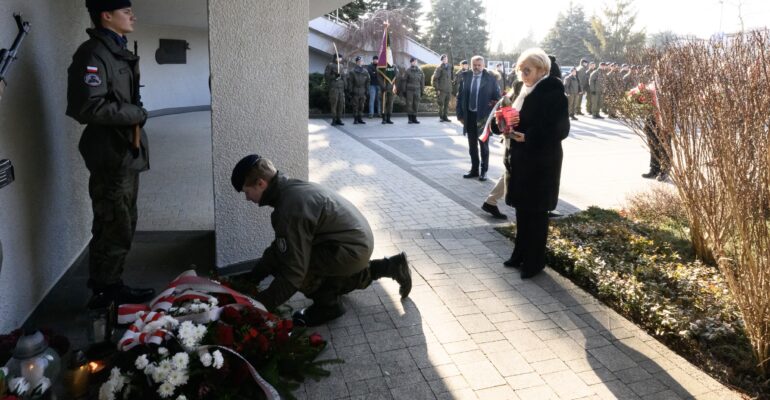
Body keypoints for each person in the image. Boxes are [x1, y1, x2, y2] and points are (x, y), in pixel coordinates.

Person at [230, 154, 412, 326]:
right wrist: (253, 277)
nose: (247, 198)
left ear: (261, 184)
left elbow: (293, 272)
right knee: (296, 257)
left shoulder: (290, 208)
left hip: (350, 249)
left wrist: (257, 307)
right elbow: (280, 247)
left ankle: (328, 307)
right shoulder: (290, 189)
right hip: (354, 243)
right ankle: (391, 266)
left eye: (247, 192)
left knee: (290, 266)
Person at [66, 0, 154, 308]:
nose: (132, 15)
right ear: (106, 15)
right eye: (125, 11)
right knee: (113, 223)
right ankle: (105, 293)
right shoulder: (92, 54)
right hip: (110, 155)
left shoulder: (116, 50)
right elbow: (87, 106)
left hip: (124, 152)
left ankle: (110, 284)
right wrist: (135, 113)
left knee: (124, 221)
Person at [504, 48, 570, 279]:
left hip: (542, 164)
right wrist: (502, 124)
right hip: (522, 160)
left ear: (542, 70)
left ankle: (534, 262)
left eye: (527, 70)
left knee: (537, 216)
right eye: (521, 70)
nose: (523, 74)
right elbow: (515, 118)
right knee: (523, 213)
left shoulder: (552, 91)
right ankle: (519, 254)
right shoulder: (523, 90)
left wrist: (529, 136)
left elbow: (561, 129)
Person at [456, 56, 501, 181]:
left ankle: (484, 171)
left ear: (483, 65)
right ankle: (474, 170)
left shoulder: (490, 79)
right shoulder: (465, 77)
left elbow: (497, 99)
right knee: (472, 146)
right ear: (471, 65)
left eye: (479, 65)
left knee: (483, 145)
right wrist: (460, 115)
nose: (476, 67)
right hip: (469, 116)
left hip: (483, 118)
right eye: (474, 65)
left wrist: (490, 112)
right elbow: (460, 97)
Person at [324, 53, 347, 126]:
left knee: (341, 104)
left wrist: (346, 85)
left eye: (341, 58)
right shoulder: (330, 65)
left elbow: (344, 77)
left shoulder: (341, 66)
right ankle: (334, 119)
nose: (340, 59)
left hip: (341, 88)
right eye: (339, 58)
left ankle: (339, 119)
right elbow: (326, 76)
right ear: (335, 58)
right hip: (334, 88)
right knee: (334, 104)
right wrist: (334, 76)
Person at [348, 56, 370, 125]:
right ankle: (355, 119)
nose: (360, 63)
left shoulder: (365, 71)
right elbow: (350, 82)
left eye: (361, 61)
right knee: (355, 106)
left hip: (363, 90)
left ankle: (360, 118)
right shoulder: (352, 71)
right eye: (359, 62)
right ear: (356, 62)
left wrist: (367, 89)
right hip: (355, 90)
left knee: (361, 106)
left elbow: (368, 81)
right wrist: (350, 90)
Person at [432, 54, 453, 122]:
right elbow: (435, 79)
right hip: (442, 89)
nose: (445, 60)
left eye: (446, 59)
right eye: (443, 59)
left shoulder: (450, 67)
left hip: (448, 89)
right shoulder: (439, 68)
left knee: (447, 104)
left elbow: (451, 78)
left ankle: (445, 116)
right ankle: (441, 117)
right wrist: (437, 89)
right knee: (441, 104)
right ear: (441, 60)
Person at [404, 57, 424, 124]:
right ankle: (410, 119)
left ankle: (414, 118)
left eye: (416, 62)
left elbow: (422, 81)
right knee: (409, 104)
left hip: (417, 90)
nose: (415, 63)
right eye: (414, 61)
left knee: (416, 104)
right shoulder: (408, 71)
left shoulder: (420, 71)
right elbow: (404, 81)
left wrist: (422, 90)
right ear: (411, 62)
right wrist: (404, 91)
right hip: (409, 90)